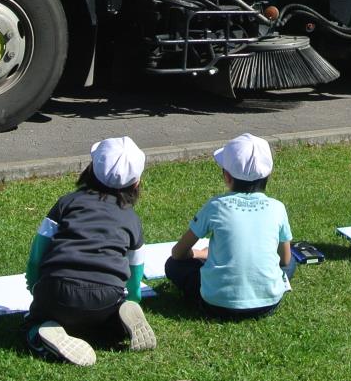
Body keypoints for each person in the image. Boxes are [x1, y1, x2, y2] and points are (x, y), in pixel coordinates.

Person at [23, 136, 157, 366]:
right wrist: (132, 298)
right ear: (136, 183)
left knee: (30, 322)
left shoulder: (66, 203)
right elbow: (136, 269)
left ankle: (43, 330)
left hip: (56, 291)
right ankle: (119, 320)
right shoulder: (131, 219)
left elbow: (38, 251)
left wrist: (34, 284)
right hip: (105, 297)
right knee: (107, 329)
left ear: (90, 168)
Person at [164, 133, 296, 320]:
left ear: (227, 176)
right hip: (268, 304)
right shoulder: (278, 207)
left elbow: (178, 253)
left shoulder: (215, 205)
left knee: (173, 266)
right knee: (292, 263)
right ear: (268, 175)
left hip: (215, 305)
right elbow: (285, 259)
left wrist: (200, 254)